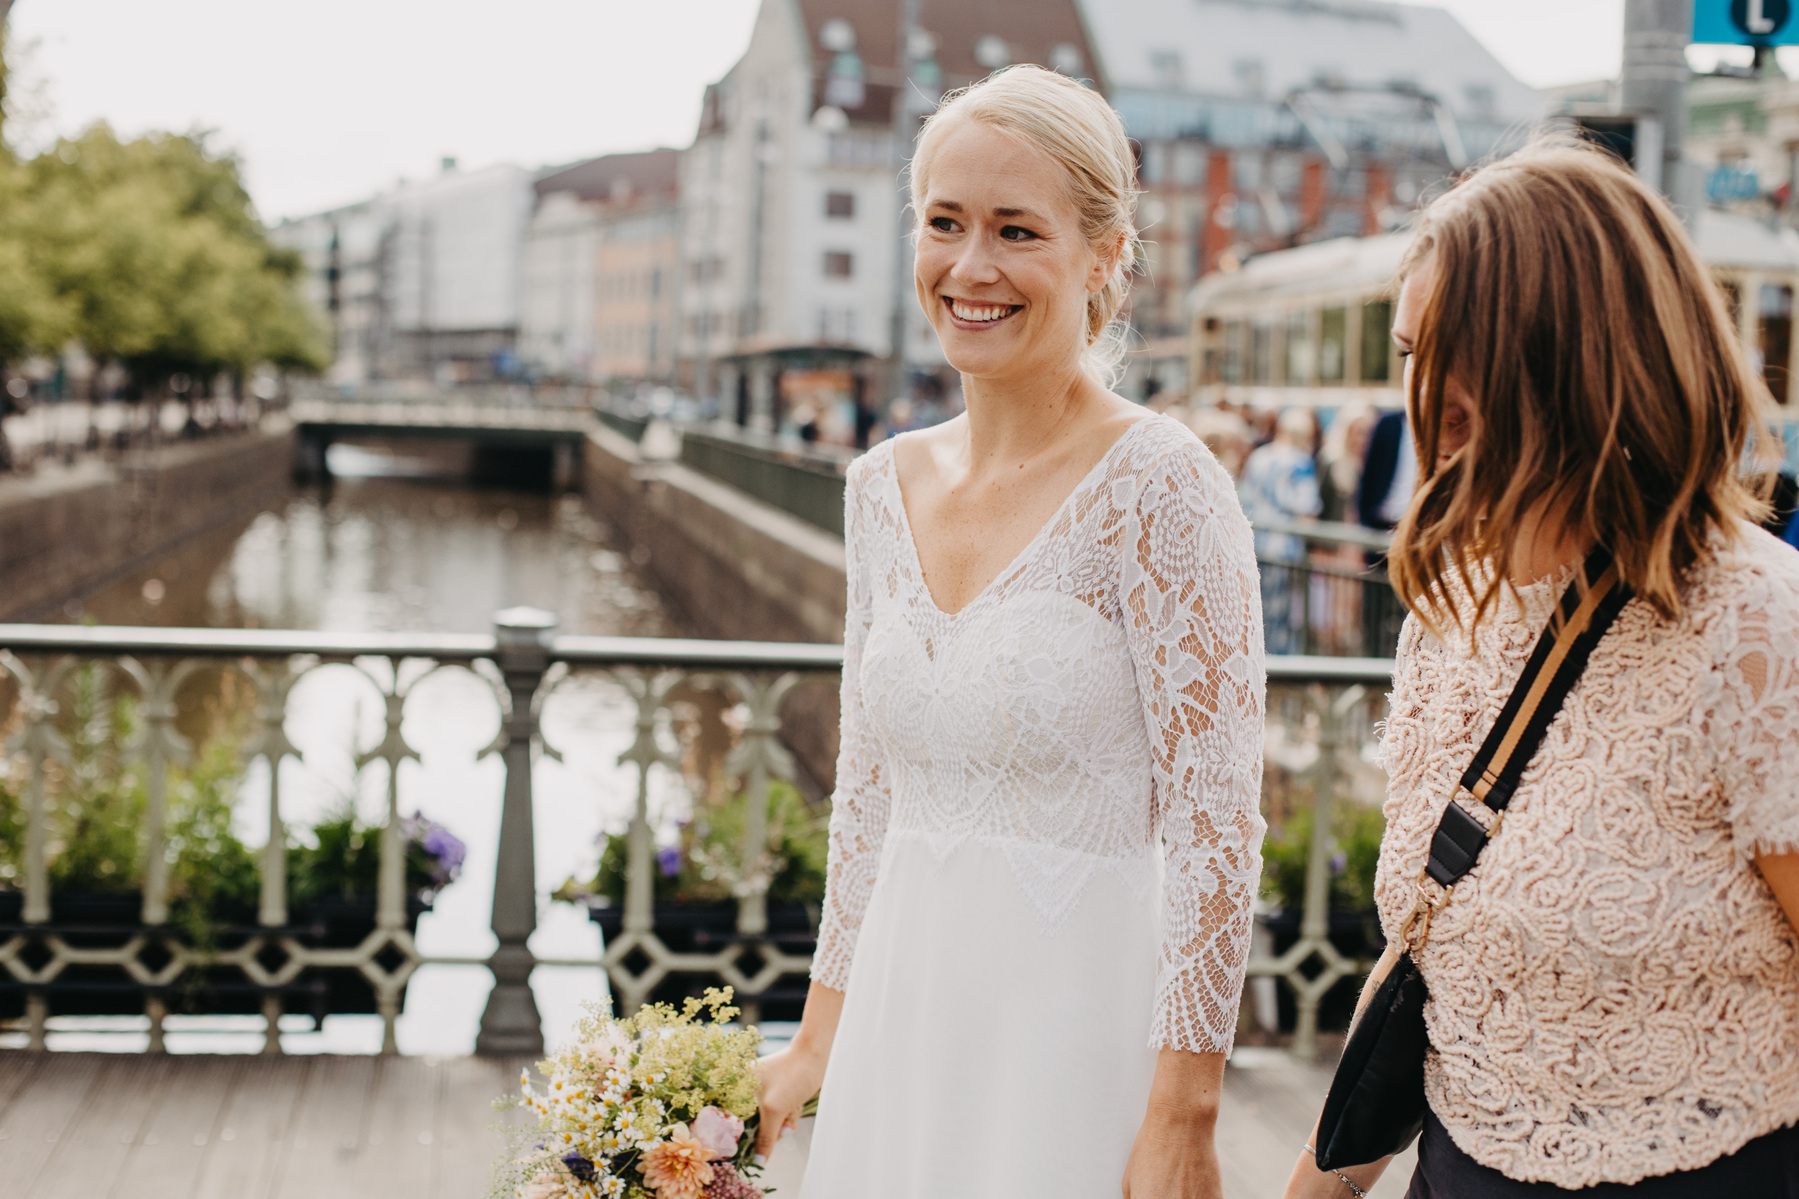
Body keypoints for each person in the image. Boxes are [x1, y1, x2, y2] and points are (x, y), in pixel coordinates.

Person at [754, 65, 1266, 1199]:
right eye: (944, 223)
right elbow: (867, 795)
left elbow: (1215, 824)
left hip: (1073, 1035)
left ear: (1103, 257)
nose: (970, 267)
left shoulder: (1161, 484)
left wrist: (1182, 1111)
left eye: (1015, 230)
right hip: (903, 1013)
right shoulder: (879, 484)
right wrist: (813, 1040)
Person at [1284, 137, 1799, 1198]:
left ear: (1572, 356)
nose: (1423, 399)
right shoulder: (1451, 605)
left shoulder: (1749, 621)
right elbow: (1433, 937)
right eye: (1406, 354)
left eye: (1458, 355)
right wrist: (1320, 1183)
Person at [1240, 407, 1323, 654]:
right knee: (1283, 618)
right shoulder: (1300, 462)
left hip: (1255, 544)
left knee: (1258, 613)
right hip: (1285, 549)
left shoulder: (1259, 456)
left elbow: (1245, 499)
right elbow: (1307, 508)